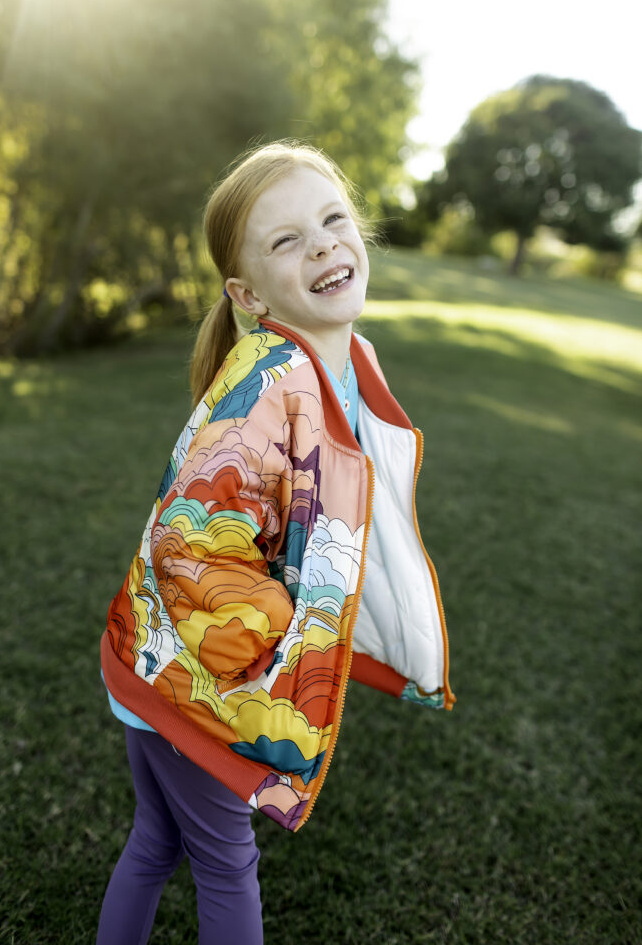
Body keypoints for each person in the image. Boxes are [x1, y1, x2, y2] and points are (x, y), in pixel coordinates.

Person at [97, 141, 455, 945]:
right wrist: (265, 653)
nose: (324, 244)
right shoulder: (267, 389)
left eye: (333, 220)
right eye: (287, 239)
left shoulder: (342, 361)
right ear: (247, 294)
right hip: (202, 680)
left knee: (157, 841)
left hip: (156, 662)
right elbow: (189, 546)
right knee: (225, 865)